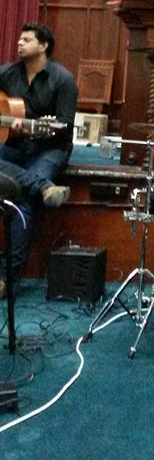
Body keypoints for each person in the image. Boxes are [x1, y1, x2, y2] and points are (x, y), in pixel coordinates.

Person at [0, 22, 78, 299]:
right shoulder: (7, 73)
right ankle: (43, 186)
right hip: (13, 146)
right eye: (19, 39)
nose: (19, 43)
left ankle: (6, 278)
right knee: (32, 189)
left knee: (24, 199)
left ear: (43, 46)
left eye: (27, 40)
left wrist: (34, 129)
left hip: (50, 148)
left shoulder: (63, 80)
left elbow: (65, 128)